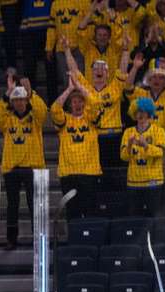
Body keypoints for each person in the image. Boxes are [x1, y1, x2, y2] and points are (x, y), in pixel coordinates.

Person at [65, 34, 130, 187]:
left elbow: (122, 69)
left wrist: (126, 50)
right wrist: (67, 49)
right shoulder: (86, 88)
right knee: (97, 175)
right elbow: (74, 70)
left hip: (114, 137)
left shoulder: (115, 87)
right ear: (91, 73)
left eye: (102, 68)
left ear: (107, 73)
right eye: (95, 68)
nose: (99, 70)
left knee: (116, 175)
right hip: (93, 138)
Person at [0, 75, 48, 251]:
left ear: (26, 100)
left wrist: (31, 92)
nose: (19, 103)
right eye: (15, 100)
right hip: (12, 168)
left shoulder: (36, 119)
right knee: (12, 206)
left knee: (35, 205)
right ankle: (11, 239)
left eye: (22, 100)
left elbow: (42, 110)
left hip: (32, 168)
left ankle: (37, 239)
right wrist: (8, 92)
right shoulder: (7, 120)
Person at [51, 69, 103, 220]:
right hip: (68, 173)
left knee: (90, 211)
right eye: (74, 101)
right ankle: (74, 242)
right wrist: (69, 89)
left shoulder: (91, 119)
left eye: (80, 101)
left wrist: (79, 87)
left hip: (90, 172)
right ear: (70, 104)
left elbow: (95, 103)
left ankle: (89, 241)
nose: (78, 104)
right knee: (72, 211)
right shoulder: (64, 120)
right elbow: (54, 109)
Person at [126, 54, 165, 161]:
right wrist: (135, 67)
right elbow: (128, 87)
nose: (157, 80)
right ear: (148, 80)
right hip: (145, 142)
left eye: (161, 77)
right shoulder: (141, 94)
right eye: (154, 77)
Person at [120, 97, 165, 216]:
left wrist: (146, 145)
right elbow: (124, 157)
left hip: (153, 183)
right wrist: (130, 145)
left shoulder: (159, 131)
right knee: (135, 220)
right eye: (137, 112)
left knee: (154, 219)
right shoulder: (128, 132)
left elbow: (160, 153)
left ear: (149, 113)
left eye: (143, 111)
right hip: (134, 183)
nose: (140, 114)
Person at [46, 0, 88, 97]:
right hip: (61, 49)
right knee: (67, 82)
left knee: (81, 81)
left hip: (80, 48)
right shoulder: (55, 4)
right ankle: (70, 109)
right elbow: (52, 27)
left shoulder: (85, 2)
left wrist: (86, 46)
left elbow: (89, 26)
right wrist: (49, 46)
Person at [77, 3, 125, 80]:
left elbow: (118, 32)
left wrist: (107, 8)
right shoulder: (87, 48)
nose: (102, 38)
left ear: (109, 37)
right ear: (95, 36)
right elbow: (81, 30)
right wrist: (91, 12)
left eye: (105, 35)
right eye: (99, 35)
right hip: (91, 90)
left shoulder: (115, 48)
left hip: (110, 90)